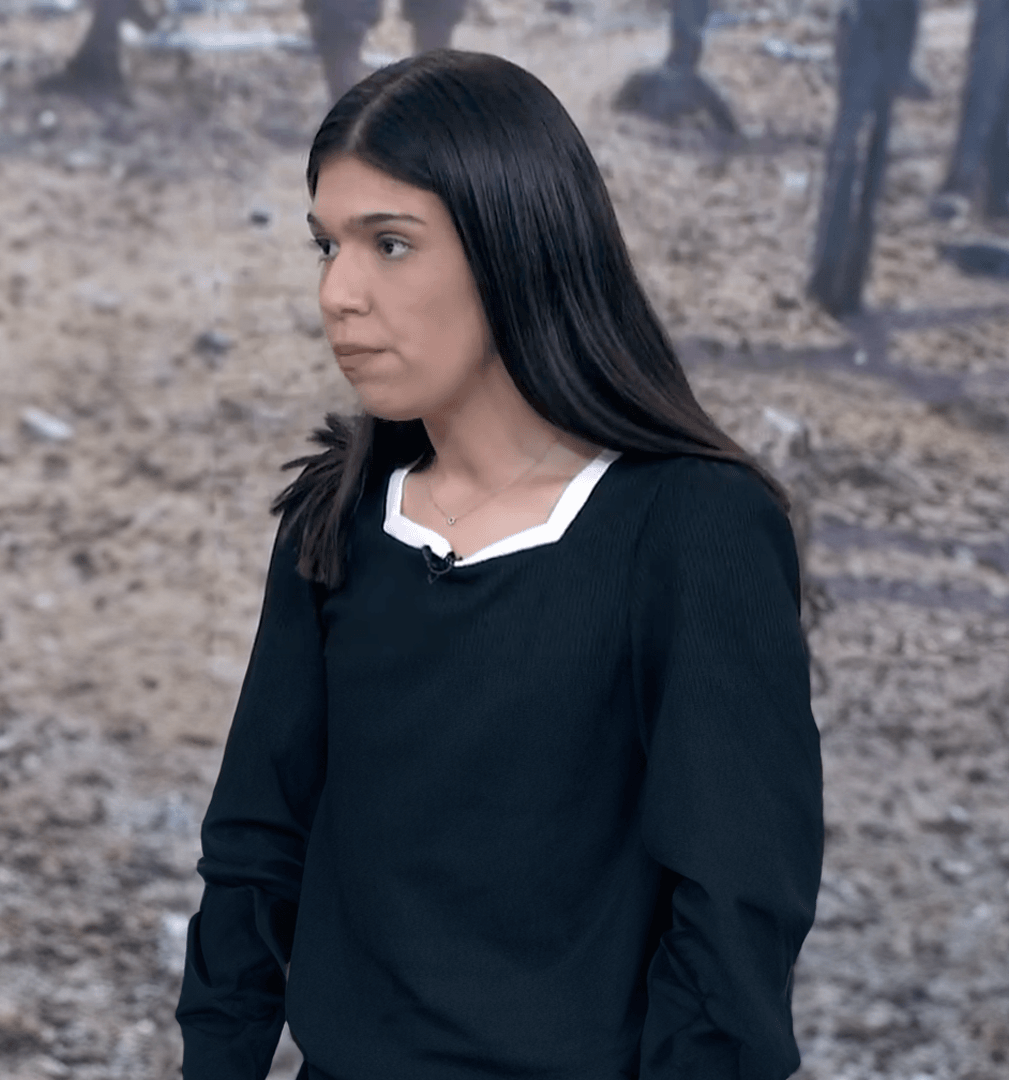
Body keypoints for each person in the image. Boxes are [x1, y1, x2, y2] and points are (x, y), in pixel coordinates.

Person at [173, 49, 825, 1080]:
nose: (338, 293)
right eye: (327, 246)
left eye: (390, 244)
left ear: (513, 244)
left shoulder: (695, 529)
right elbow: (257, 847)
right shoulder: (336, 514)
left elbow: (734, 910)